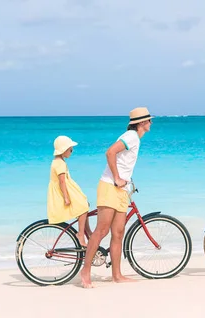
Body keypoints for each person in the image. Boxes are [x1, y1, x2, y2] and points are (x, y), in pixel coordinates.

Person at [80, 107, 153, 288]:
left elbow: (123, 162)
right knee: (102, 231)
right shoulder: (130, 136)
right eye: (150, 120)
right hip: (110, 187)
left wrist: (125, 180)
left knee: (118, 233)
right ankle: (86, 271)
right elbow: (110, 152)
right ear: (142, 123)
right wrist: (117, 178)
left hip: (121, 190)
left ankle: (117, 275)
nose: (151, 123)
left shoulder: (135, 139)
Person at [47, 136, 91, 247]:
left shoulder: (58, 161)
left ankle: (88, 233)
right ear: (64, 150)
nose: (72, 151)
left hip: (68, 188)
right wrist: (66, 198)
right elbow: (62, 182)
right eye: (70, 149)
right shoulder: (59, 164)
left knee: (84, 206)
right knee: (82, 207)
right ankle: (81, 234)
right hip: (66, 190)